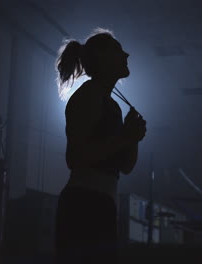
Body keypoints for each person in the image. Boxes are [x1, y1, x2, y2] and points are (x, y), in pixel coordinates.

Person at [54, 28, 146, 263]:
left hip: (99, 203)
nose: (126, 56)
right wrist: (126, 137)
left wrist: (132, 138)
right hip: (85, 205)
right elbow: (75, 159)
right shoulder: (88, 97)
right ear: (105, 60)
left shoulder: (111, 105)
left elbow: (125, 166)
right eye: (118, 51)